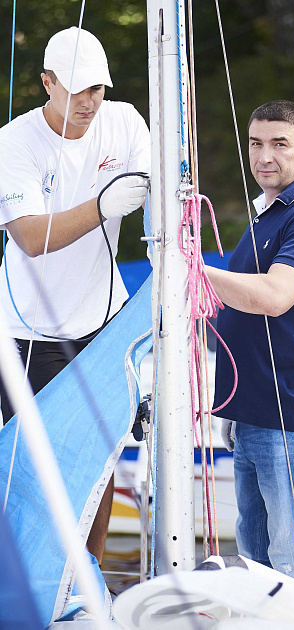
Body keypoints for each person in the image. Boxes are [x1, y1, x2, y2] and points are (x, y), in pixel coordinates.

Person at [0, 27, 151, 565]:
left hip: (102, 321)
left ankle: (89, 580)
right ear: (48, 83)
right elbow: (29, 236)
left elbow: (161, 192)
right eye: (78, 88)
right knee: (37, 469)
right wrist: (103, 205)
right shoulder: (14, 142)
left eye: (98, 88)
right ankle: (39, 581)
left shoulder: (124, 121)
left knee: (99, 459)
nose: (90, 101)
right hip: (28, 331)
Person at [206, 100, 294, 586]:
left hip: (292, 418)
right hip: (253, 412)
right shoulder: (269, 212)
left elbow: (273, 296)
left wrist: (190, 269)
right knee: (257, 564)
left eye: (279, 144)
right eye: (256, 143)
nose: (264, 156)